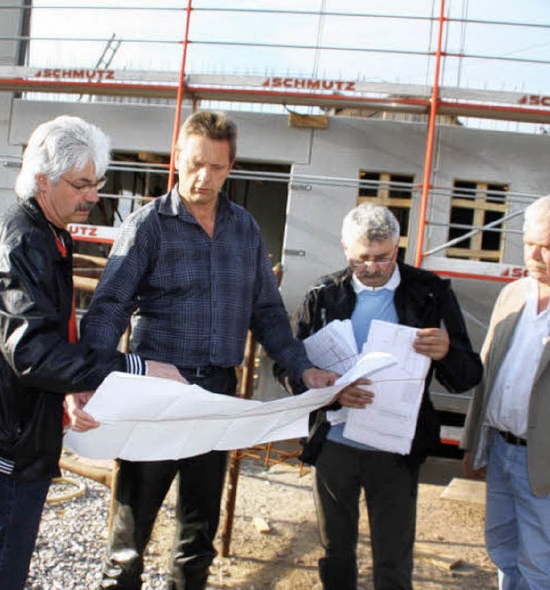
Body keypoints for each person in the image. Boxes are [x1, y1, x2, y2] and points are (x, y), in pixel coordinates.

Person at [77, 110, 337, 590]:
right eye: (194, 164)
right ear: (177, 158)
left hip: (217, 394)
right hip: (156, 394)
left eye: (216, 168)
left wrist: (303, 369)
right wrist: (86, 380)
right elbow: (109, 307)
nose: (203, 177)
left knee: (199, 533)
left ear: (231, 167)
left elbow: (268, 312)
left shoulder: (244, 230)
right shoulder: (147, 226)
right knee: (132, 529)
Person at [0, 115, 180, 590]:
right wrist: (136, 366)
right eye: (82, 183)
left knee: (4, 559)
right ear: (42, 179)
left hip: (14, 421)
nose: (94, 196)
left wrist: (75, 384)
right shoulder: (25, 242)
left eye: (98, 182)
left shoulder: (45, 233)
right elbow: (33, 353)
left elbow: (42, 339)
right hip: (12, 434)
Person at [280, 203, 482, 589]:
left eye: (383, 258)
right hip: (336, 443)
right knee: (335, 553)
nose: (372, 268)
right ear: (345, 249)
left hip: (395, 448)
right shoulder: (322, 296)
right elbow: (288, 367)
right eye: (361, 259)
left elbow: (467, 375)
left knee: (392, 558)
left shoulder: (430, 293)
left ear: (398, 247)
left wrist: (447, 352)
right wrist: (328, 388)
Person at [461, 194, 550, 590]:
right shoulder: (514, 294)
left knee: (543, 568)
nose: (535, 256)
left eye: (548, 246)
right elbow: (490, 371)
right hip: (502, 453)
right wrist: (474, 442)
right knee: (504, 551)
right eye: (529, 244)